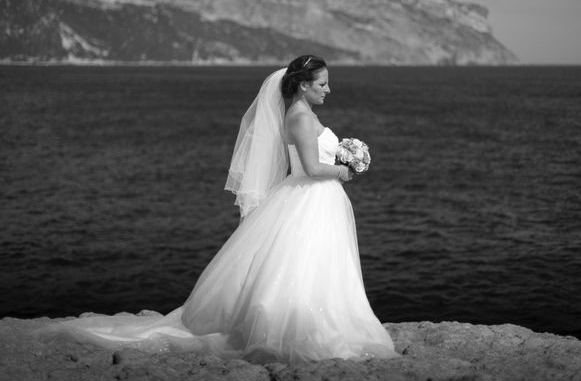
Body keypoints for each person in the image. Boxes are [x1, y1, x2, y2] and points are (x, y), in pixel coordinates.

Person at [36, 55, 398, 364]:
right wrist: (343, 169)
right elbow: (312, 168)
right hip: (311, 195)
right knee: (306, 261)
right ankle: (303, 327)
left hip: (313, 198)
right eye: (323, 83)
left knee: (317, 263)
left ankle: (317, 319)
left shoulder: (302, 114)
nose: (328, 90)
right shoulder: (301, 119)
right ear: (303, 85)